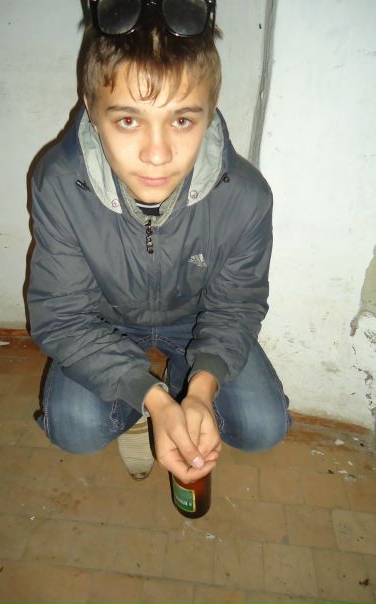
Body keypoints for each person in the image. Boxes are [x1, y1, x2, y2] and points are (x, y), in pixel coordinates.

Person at [27, 0, 290, 485]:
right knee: (74, 428)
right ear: (92, 111)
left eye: (182, 120)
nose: (157, 153)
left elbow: (236, 306)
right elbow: (62, 317)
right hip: (103, 321)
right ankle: (142, 410)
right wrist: (153, 400)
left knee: (262, 426)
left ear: (209, 113)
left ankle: (178, 383)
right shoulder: (59, 184)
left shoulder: (246, 196)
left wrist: (200, 390)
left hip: (194, 321)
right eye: (128, 120)